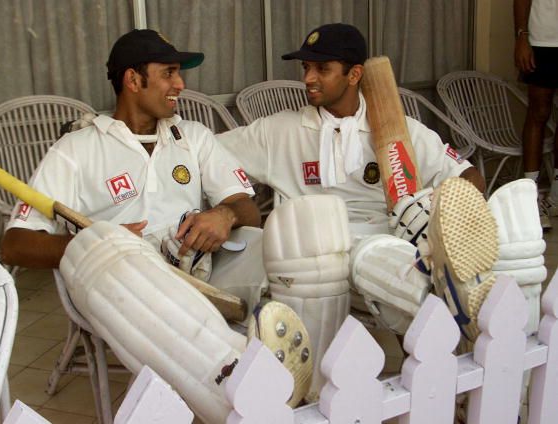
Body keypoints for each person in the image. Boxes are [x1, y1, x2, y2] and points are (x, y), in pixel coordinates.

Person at [0, 29, 313, 423]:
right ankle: (244, 380)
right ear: (133, 80)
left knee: (281, 248)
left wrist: (225, 215)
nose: (180, 84)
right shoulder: (76, 150)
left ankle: (288, 375)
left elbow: (245, 205)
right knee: (120, 258)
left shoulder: (193, 137)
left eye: (178, 73)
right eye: (168, 73)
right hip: (116, 280)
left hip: (197, 269)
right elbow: (14, 245)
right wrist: (99, 240)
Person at [219, 23, 546, 396]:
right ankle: (464, 310)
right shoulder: (278, 132)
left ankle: (475, 352)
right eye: (305, 68)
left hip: (391, 240)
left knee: (483, 248)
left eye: (321, 69)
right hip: (314, 255)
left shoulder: (396, 129)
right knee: (380, 263)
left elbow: (468, 175)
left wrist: (441, 206)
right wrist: (227, 206)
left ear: (355, 74)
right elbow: (209, 157)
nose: (308, 78)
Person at [514, 0, 558, 230]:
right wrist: (522, 37)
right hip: (542, 41)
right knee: (539, 112)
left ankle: (556, 196)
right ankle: (529, 197)